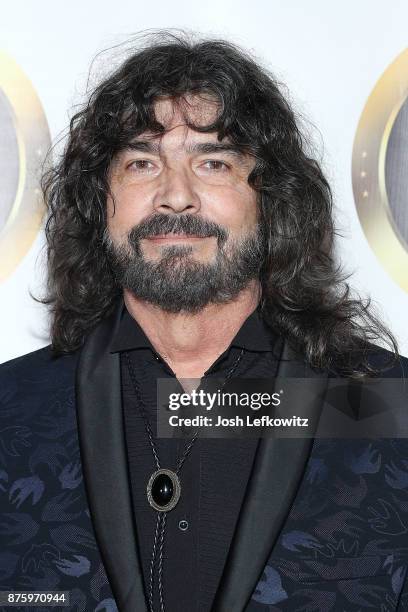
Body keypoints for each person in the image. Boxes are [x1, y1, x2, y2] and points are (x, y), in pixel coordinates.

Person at [1, 31, 408, 612]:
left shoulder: (391, 406)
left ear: (272, 199)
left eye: (213, 162)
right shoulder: (11, 408)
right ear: (100, 202)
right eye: (142, 162)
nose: (175, 196)